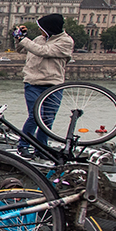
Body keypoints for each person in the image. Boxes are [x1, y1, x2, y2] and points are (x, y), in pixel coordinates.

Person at [14, 13, 74, 157]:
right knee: (35, 116)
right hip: (33, 83)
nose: (40, 31)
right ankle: (23, 145)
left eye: (42, 28)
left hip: (54, 85)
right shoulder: (39, 39)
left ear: (50, 28)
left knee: (47, 119)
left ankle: (41, 149)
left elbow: (43, 51)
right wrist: (18, 38)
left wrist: (24, 39)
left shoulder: (66, 42)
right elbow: (21, 49)